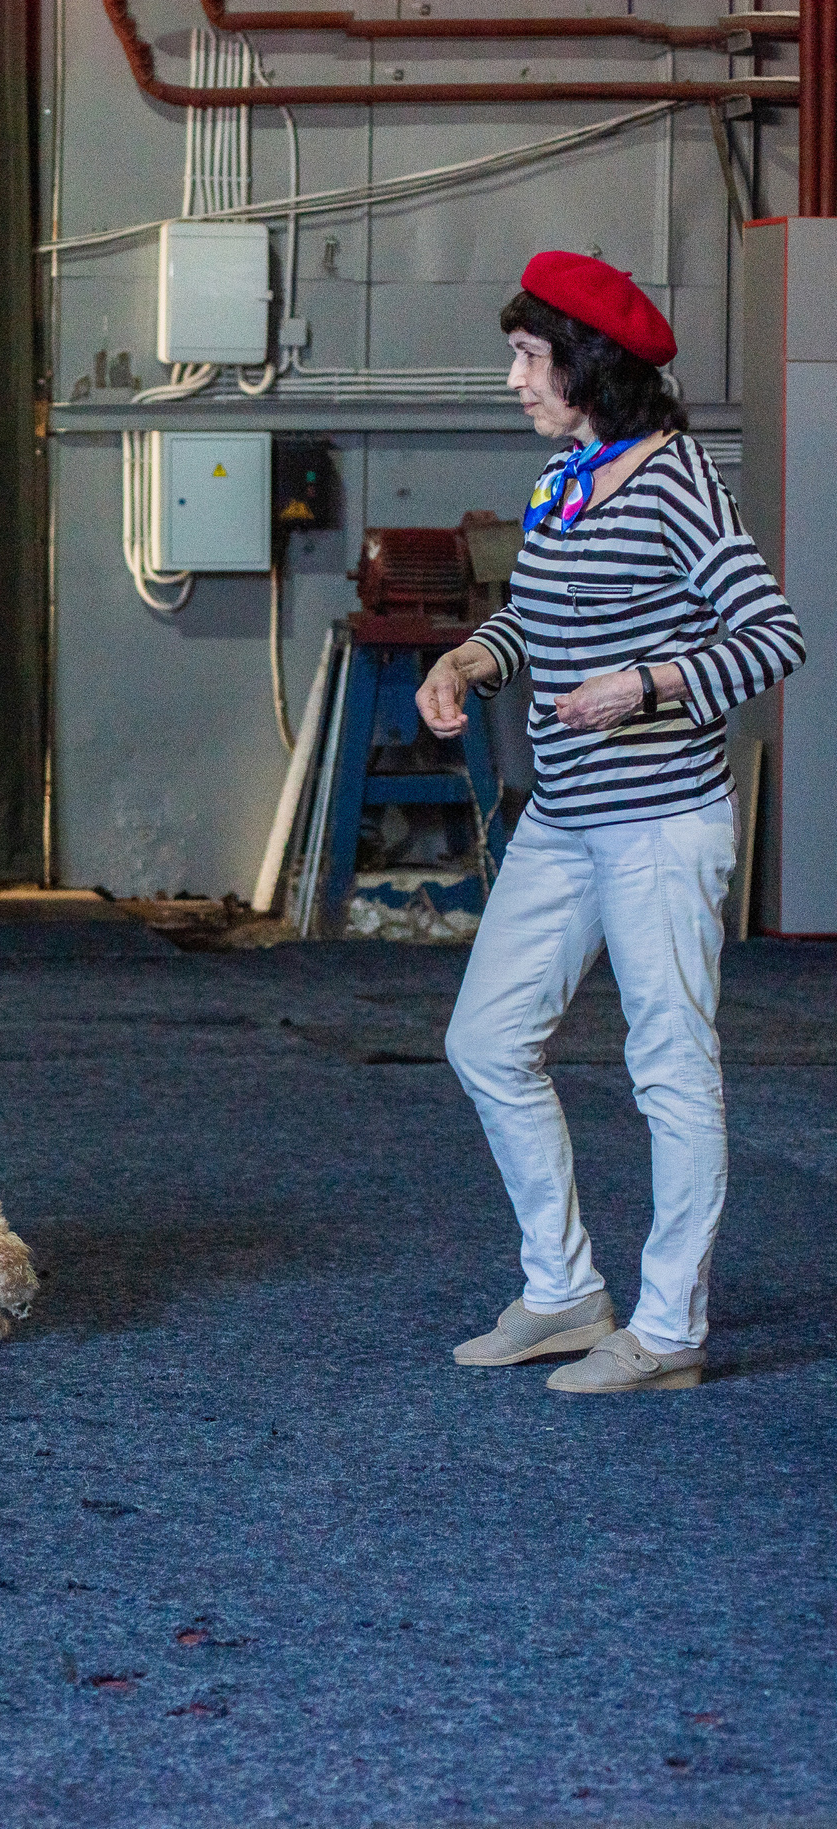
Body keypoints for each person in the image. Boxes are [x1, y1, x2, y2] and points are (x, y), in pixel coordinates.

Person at [416, 251, 807, 1391]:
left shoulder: (680, 482)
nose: (512, 380)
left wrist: (643, 683)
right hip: (567, 818)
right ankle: (564, 1290)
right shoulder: (570, 477)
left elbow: (769, 638)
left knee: (669, 1068)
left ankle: (671, 1329)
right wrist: (470, 658)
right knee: (485, 1040)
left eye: (528, 358)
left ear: (589, 365)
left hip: (657, 826)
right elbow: (530, 621)